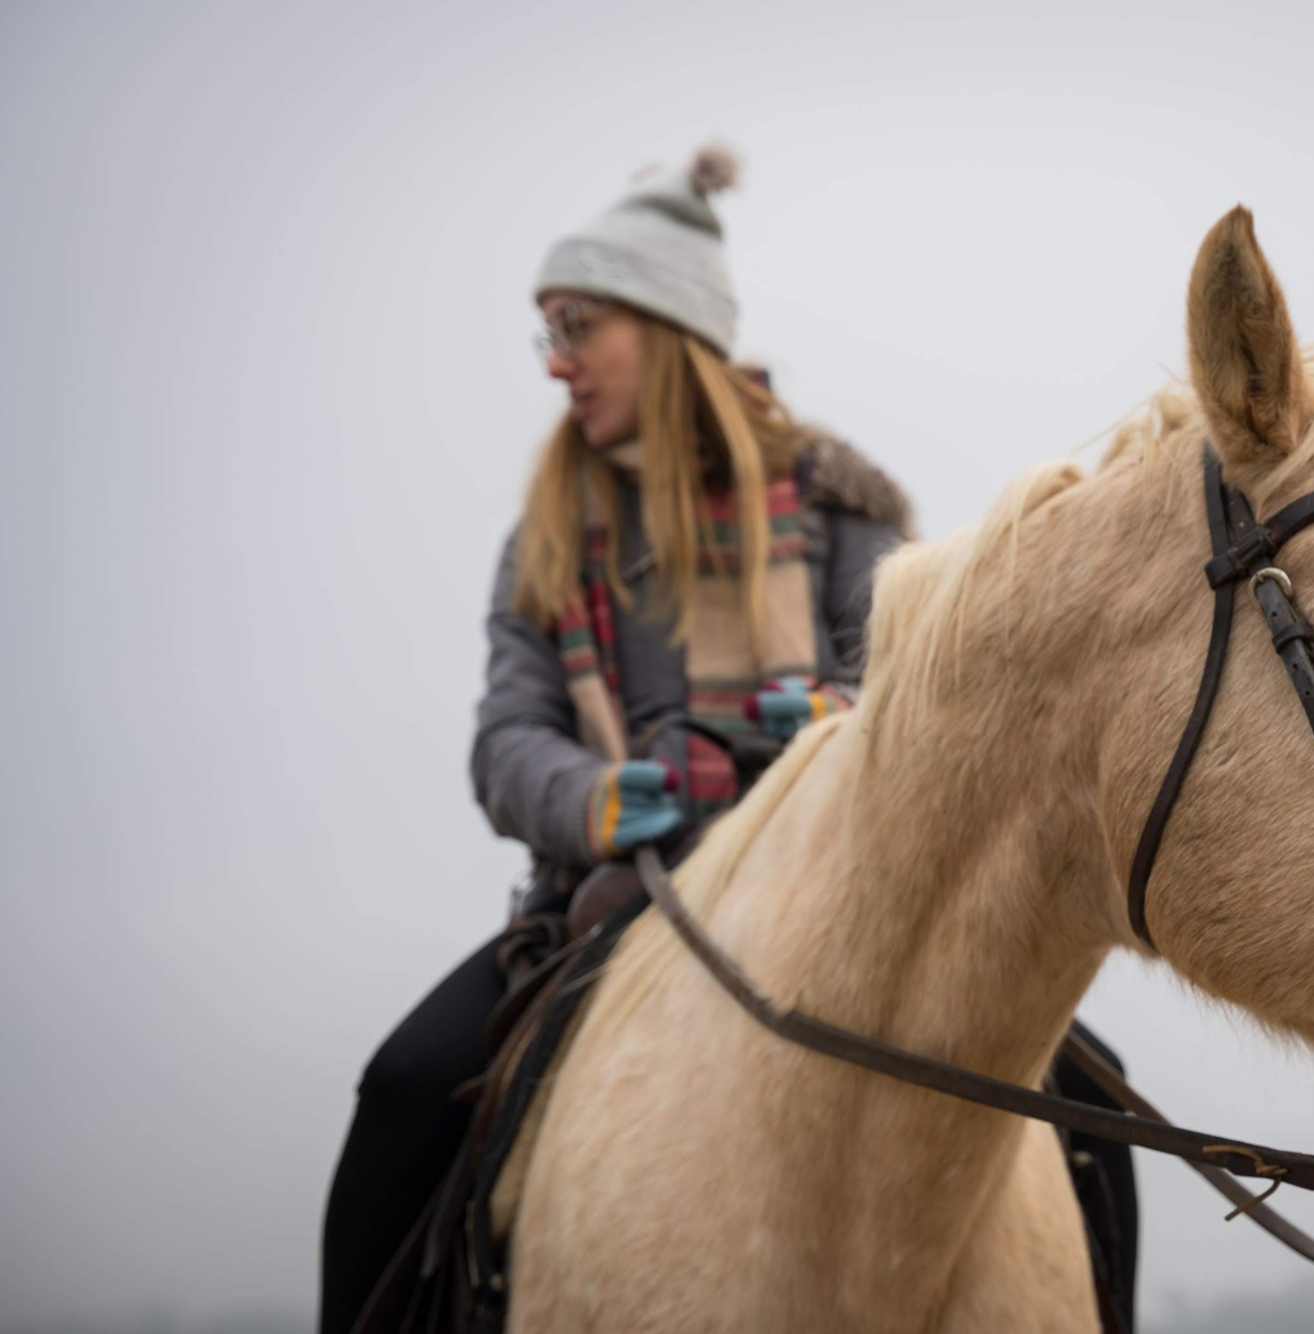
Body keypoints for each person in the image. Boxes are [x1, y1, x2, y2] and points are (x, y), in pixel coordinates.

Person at [317, 145, 913, 1334]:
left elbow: (908, 689)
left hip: (830, 889)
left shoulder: (846, 506)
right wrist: (589, 797)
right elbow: (506, 739)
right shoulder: (543, 538)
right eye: (545, 327)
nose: (555, 359)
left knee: (1065, 1083)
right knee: (401, 1091)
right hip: (599, 902)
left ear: (667, 323)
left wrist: (849, 726)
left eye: (579, 323)